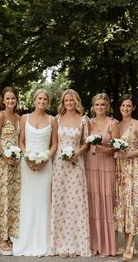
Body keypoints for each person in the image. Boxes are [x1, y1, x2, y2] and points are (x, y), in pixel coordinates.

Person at [13, 88, 58, 256]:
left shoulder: (52, 120)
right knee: (27, 201)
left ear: (48, 102)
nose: (42, 101)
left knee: (43, 201)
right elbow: (21, 141)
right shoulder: (24, 118)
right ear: (34, 100)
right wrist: (27, 157)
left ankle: (43, 242)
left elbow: (54, 143)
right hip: (27, 165)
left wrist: (46, 158)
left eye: (45, 99)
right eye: (39, 98)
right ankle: (25, 240)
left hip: (46, 165)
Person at [50, 89, 91, 258]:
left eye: (72, 101)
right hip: (59, 165)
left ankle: (76, 244)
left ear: (76, 102)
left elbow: (86, 143)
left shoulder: (83, 120)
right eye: (66, 101)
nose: (69, 103)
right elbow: (53, 142)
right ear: (63, 102)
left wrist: (76, 153)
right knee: (60, 202)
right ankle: (60, 245)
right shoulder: (57, 119)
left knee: (75, 202)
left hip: (76, 164)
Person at [114, 94, 138, 262]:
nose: (126, 108)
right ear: (119, 107)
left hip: (134, 168)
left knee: (134, 204)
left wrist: (128, 154)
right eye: (123, 105)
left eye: (129, 106)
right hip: (120, 170)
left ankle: (130, 245)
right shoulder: (118, 124)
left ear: (134, 107)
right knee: (124, 204)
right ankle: (129, 241)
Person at [85, 93, 119, 257]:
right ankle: (93, 244)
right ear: (93, 106)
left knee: (106, 202)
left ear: (107, 106)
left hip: (107, 165)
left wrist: (101, 149)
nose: (100, 107)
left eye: (103, 105)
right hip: (90, 165)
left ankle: (108, 246)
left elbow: (117, 147)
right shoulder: (88, 122)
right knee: (93, 201)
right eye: (97, 104)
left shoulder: (113, 123)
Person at [0, 87, 21, 255]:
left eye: (13, 98)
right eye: (7, 99)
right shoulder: (0, 116)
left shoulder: (18, 117)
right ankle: (0, 238)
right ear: (3, 100)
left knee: (13, 200)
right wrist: (4, 156)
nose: (10, 101)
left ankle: (9, 234)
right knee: (2, 199)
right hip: (3, 164)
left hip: (16, 164)